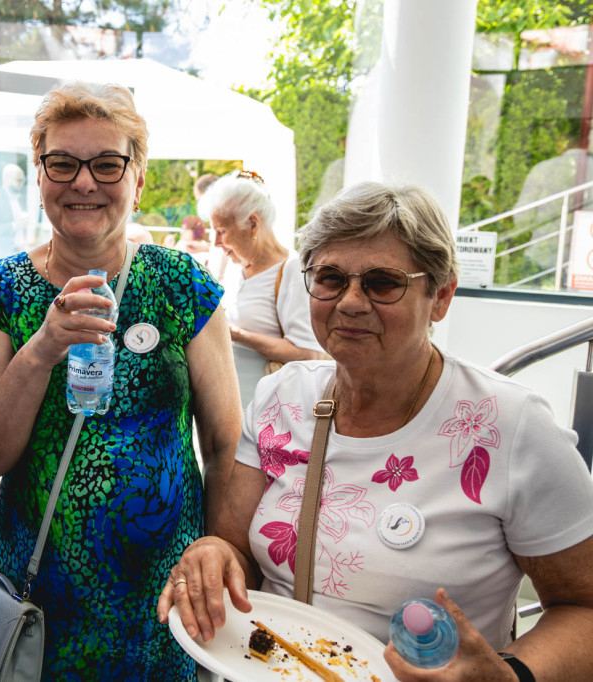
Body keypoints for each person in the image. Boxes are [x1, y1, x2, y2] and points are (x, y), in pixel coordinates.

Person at [158, 182, 593, 682]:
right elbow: (235, 546)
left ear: (441, 296)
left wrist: (512, 675)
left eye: (383, 283)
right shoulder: (283, 399)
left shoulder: (510, 427)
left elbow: (583, 607)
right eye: (331, 278)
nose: (350, 302)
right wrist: (209, 555)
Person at [0, 81, 242, 679]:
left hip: (162, 595)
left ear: (138, 180)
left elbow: (225, 443)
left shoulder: (180, 283)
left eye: (108, 164)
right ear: (38, 175)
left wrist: (217, 551)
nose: (84, 182)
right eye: (62, 163)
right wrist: (42, 348)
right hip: (38, 591)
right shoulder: (5, 288)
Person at [198, 170, 325, 406]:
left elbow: (308, 354)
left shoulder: (292, 270)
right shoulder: (237, 266)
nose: (216, 242)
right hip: (232, 404)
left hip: (269, 410)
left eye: (222, 231)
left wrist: (235, 334)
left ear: (253, 224)